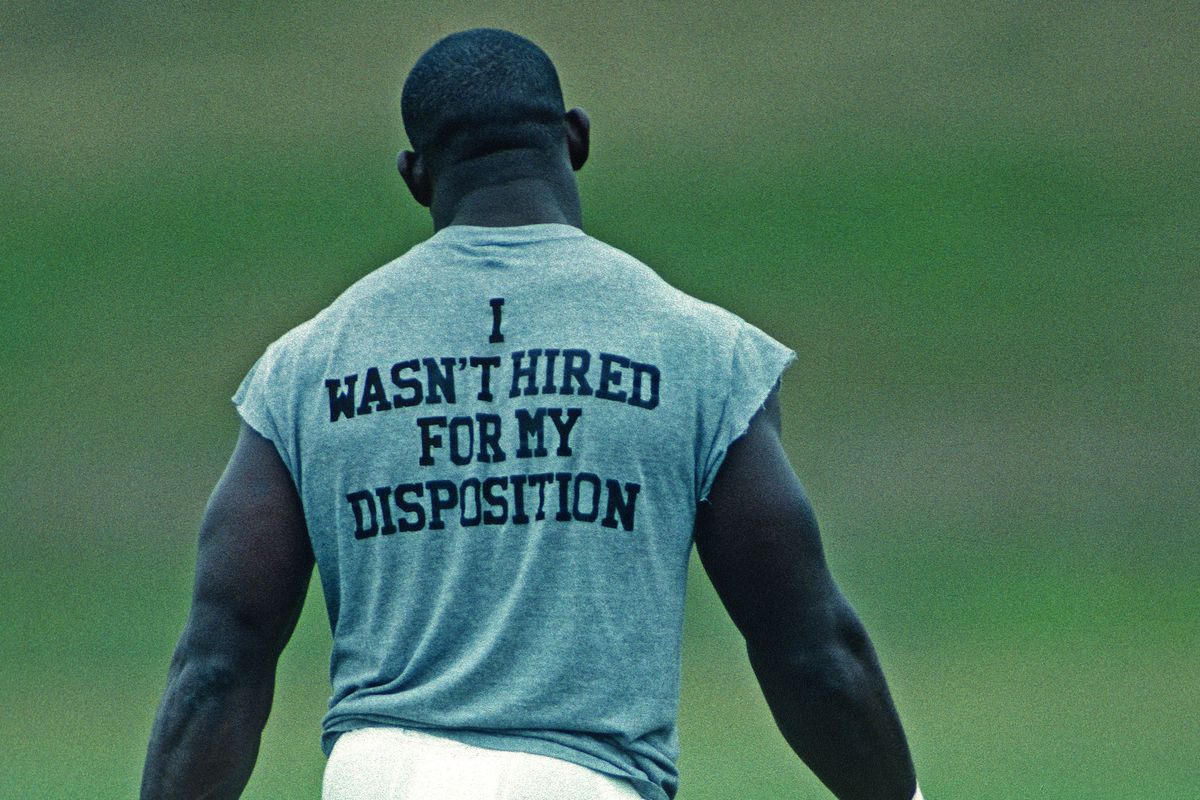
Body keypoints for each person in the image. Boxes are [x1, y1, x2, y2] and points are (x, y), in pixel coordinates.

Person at [141, 28, 921, 800]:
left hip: (372, 773)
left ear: (416, 176)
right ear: (575, 137)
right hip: (584, 778)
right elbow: (807, 645)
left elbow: (220, 661)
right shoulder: (697, 349)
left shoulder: (307, 365)